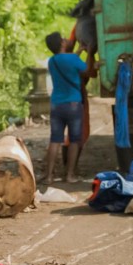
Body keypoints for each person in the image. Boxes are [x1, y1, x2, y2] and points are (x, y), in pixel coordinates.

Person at [43, 31, 95, 184]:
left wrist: (77, 52)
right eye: (63, 39)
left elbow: (67, 63)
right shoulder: (72, 59)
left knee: (54, 141)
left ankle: (49, 176)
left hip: (57, 105)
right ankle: (69, 175)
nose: (66, 39)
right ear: (62, 43)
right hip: (73, 105)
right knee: (74, 140)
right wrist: (90, 52)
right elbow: (86, 70)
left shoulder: (52, 61)